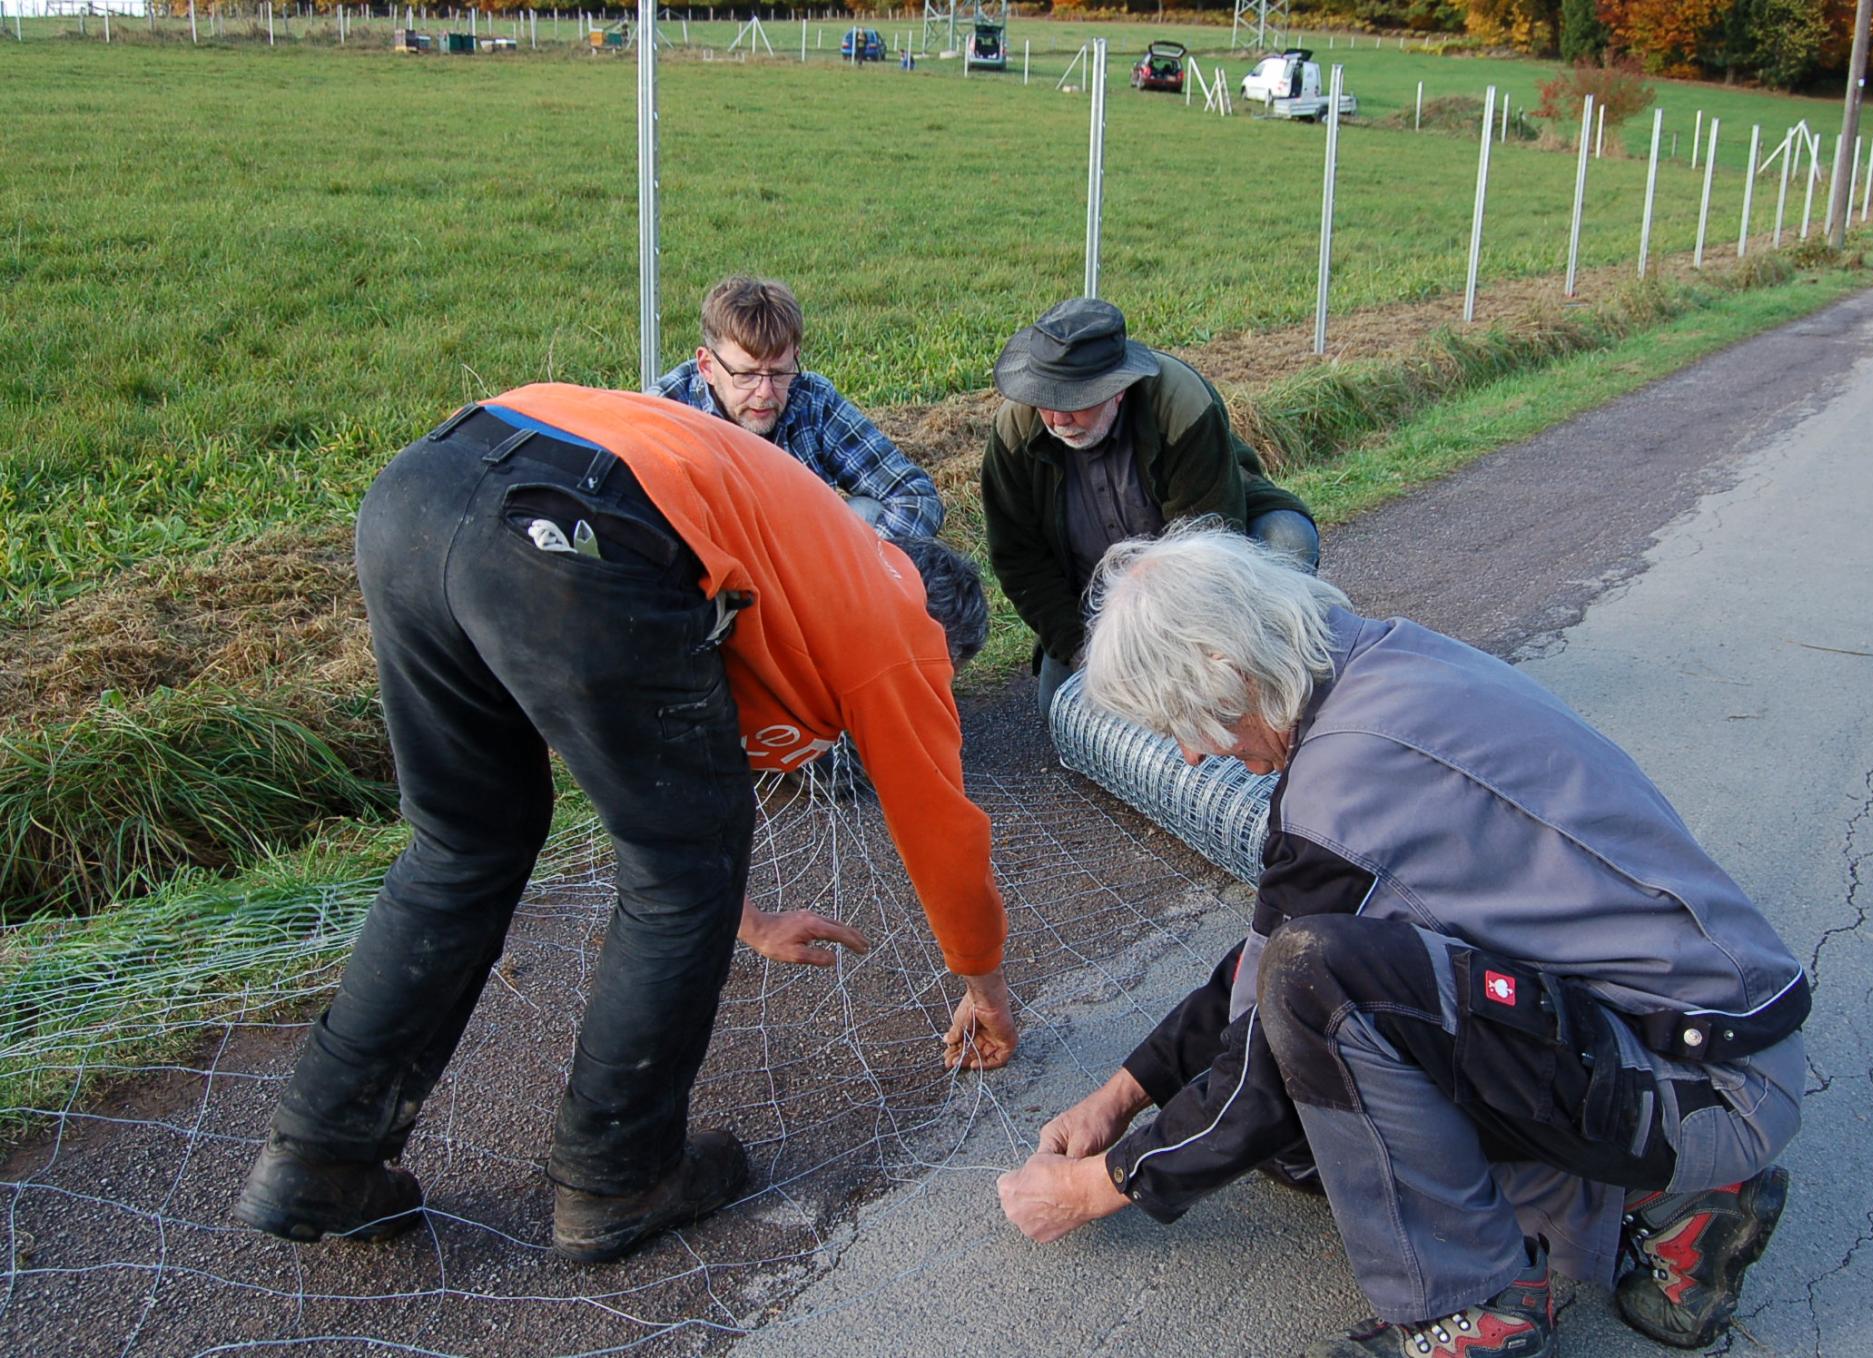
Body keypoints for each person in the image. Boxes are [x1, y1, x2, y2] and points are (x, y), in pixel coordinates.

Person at [234, 383, 1015, 1265]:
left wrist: (743, 916)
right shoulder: (901, 617)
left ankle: (320, 1158)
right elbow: (942, 834)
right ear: (945, 643)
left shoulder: (800, 562)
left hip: (423, 493)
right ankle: (619, 1175)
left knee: (463, 845)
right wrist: (985, 992)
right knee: (677, 873)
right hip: (574, 523)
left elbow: (645, 766)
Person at [998, 525, 1806, 1358]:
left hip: (1704, 1087)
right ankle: (1671, 1211)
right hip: (1683, 1043)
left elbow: (1282, 1027)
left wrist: (1099, 1187)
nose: (1196, 754)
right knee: (1304, 1074)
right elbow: (1262, 955)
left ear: (1228, 674)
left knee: (1310, 1047)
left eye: (1189, 721)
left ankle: (1475, 1307)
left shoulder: (1349, 776)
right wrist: (1125, 1093)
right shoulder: (1368, 664)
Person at [979, 298, 1318, 721]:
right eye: (1046, 397)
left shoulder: (1180, 402)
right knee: (1061, 710)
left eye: (1076, 400)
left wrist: (1175, 658)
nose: (1058, 417)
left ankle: (1276, 675)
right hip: (1094, 598)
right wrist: (1082, 649)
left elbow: (1208, 544)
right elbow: (1019, 559)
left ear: (1117, 389)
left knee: (1288, 539)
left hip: (1198, 569)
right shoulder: (1015, 432)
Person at [654, 275, 941, 542]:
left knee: (868, 513)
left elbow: (915, 495)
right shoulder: (663, 412)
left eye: (779, 373)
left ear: (795, 358)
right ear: (707, 366)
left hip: (804, 568)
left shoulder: (813, 400)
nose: (765, 393)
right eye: (747, 375)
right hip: (706, 571)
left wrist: (864, 573)